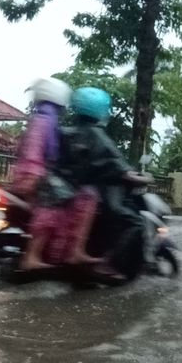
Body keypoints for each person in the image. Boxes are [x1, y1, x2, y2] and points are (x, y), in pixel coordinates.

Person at [58, 87, 153, 278]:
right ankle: (110, 264)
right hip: (102, 195)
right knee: (134, 223)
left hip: (70, 191)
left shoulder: (66, 132)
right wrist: (145, 178)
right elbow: (123, 171)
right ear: (100, 109)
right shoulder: (98, 136)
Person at [11, 77, 101, 271]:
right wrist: (35, 177)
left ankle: (60, 251)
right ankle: (43, 255)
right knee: (86, 197)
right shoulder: (45, 120)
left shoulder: (43, 117)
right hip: (34, 174)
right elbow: (34, 152)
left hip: (34, 172)